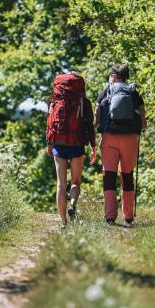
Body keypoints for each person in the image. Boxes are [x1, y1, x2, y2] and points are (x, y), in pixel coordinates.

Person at [95, 65, 146, 228]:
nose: (109, 78)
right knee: (127, 176)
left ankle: (110, 216)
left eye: (110, 75)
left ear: (115, 77)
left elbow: (97, 117)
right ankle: (128, 216)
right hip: (130, 139)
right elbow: (143, 121)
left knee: (109, 175)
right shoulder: (133, 92)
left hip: (109, 138)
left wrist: (99, 130)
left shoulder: (105, 92)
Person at [46, 72, 96, 228]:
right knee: (75, 182)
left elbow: (49, 123)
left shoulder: (54, 100)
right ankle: (72, 204)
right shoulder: (84, 101)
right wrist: (93, 146)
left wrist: (49, 143)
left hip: (59, 143)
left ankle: (63, 222)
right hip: (77, 143)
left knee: (61, 184)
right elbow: (90, 126)